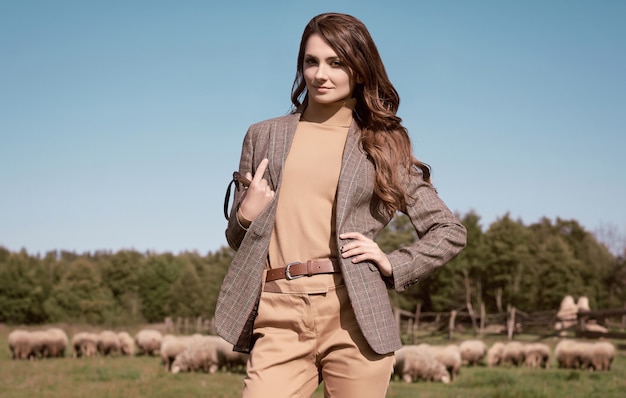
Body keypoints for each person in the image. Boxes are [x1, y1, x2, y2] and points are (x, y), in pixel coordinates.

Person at [215, 12, 467, 398]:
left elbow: (449, 231)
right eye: (311, 61)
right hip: (278, 314)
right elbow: (238, 239)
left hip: (353, 314)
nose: (320, 74)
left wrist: (392, 263)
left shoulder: (383, 144)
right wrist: (246, 215)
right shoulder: (262, 136)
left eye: (336, 63)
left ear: (360, 70)